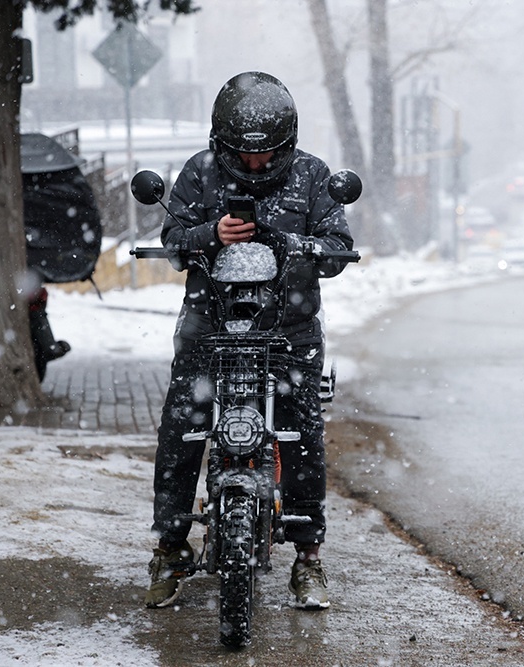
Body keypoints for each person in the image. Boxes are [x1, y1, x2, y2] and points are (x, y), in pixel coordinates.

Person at [144, 71, 355, 611]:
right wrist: (208, 235)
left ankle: (308, 558)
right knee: (181, 426)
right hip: (207, 326)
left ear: (289, 142)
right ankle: (169, 549)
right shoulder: (199, 172)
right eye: (244, 154)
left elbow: (337, 247)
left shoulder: (312, 175)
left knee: (301, 430)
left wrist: (292, 241)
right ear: (222, 141)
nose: (257, 164)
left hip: (290, 330)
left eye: (268, 154)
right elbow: (170, 241)